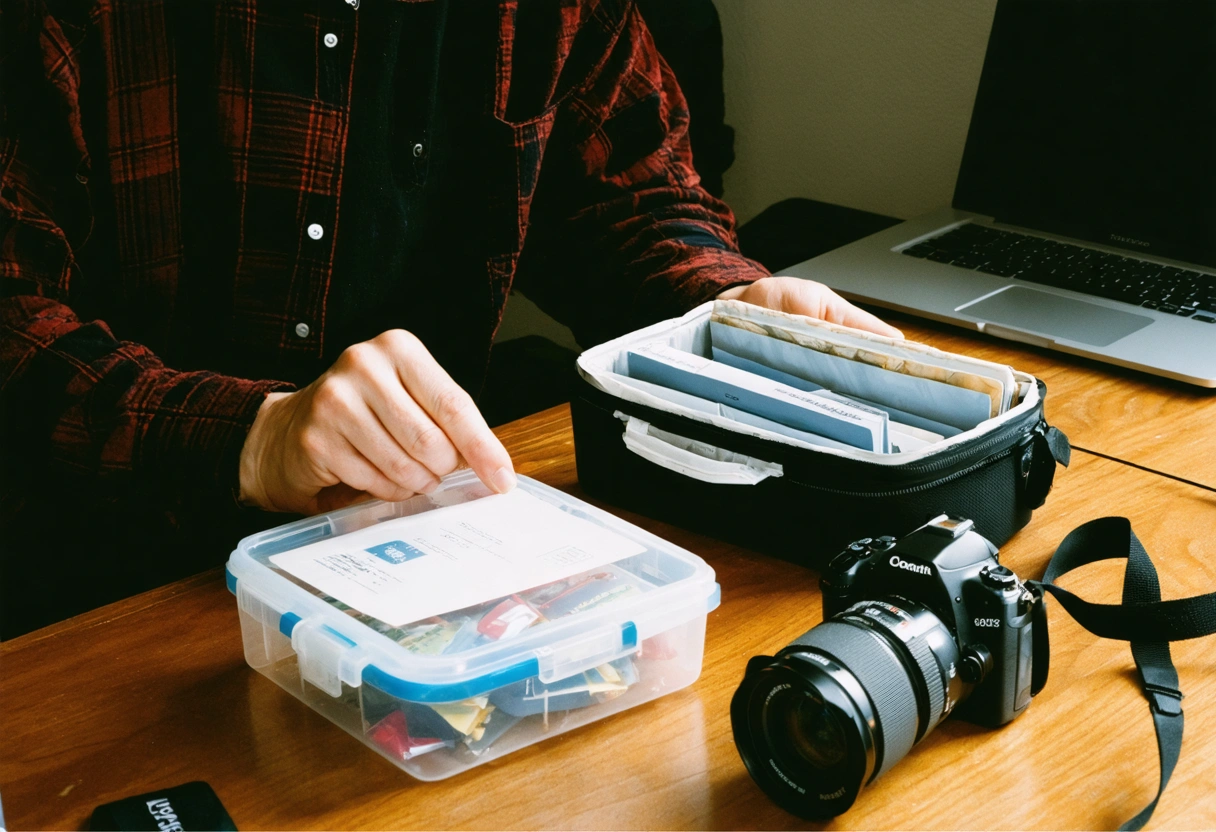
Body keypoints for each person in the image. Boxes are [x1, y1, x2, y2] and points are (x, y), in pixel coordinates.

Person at [0, 0, 898, 637]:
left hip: (427, 570)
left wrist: (725, 309)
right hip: (103, 587)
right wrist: (254, 436)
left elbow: (630, 200)